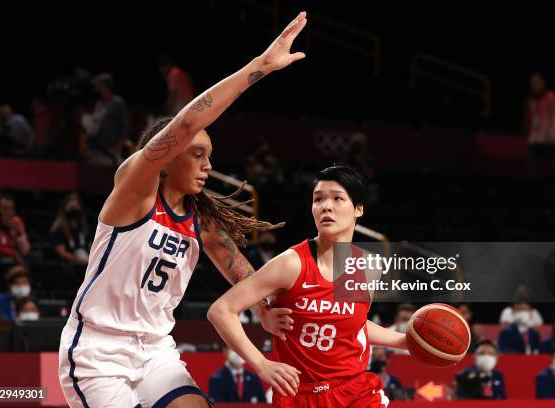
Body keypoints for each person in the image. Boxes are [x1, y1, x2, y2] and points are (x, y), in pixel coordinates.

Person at [58, 12, 308, 408]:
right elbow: (188, 121)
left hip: (155, 348)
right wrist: (259, 66)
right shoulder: (134, 192)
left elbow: (237, 267)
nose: (208, 166)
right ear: (169, 156)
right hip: (98, 351)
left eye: (210, 156)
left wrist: (263, 304)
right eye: (197, 154)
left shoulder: (200, 218)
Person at [208, 165, 405, 408]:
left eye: (337, 198)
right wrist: (261, 364)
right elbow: (221, 310)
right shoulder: (290, 264)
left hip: (355, 389)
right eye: (318, 199)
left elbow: (350, 322)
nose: (326, 206)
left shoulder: (369, 267)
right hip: (300, 395)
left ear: (358, 209)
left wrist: (402, 341)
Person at [85, 73, 130, 164]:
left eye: (98, 86)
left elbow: (125, 127)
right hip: (95, 149)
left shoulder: (117, 103)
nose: (95, 89)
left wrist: (117, 148)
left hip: (110, 151)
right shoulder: (99, 103)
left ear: (105, 86)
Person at [525, 72, 555, 177]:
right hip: (534, 139)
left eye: (536, 82)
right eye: (532, 83)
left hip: (548, 139)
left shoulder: (551, 96)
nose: (534, 85)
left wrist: (552, 135)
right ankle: (534, 189)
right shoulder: (531, 99)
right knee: (533, 166)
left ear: (542, 82)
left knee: (553, 165)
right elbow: (531, 119)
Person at [50, 193, 90, 265]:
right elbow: (62, 252)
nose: (74, 212)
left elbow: (90, 244)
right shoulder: (59, 229)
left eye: (76, 208)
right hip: (68, 265)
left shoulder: (84, 227)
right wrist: (78, 260)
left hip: (86, 261)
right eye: (71, 209)